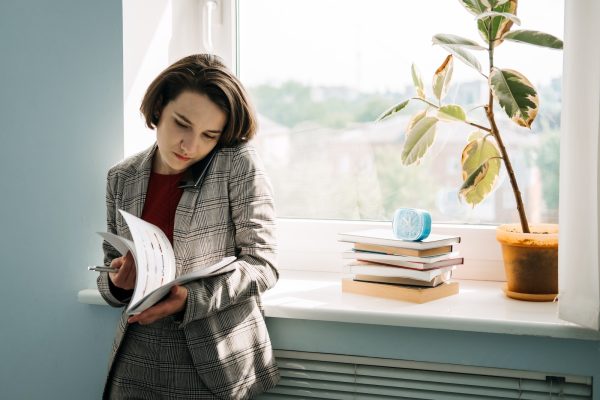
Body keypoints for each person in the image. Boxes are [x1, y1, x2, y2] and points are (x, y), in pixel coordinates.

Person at [96, 54, 280, 399]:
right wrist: (118, 282)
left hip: (215, 362)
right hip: (137, 358)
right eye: (182, 124)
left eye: (209, 135)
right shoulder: (121, 177)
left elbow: (262, 264)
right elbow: (110, 268)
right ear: (159, 108)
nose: (191, 146)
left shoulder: (237, 164)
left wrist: (191, 299)